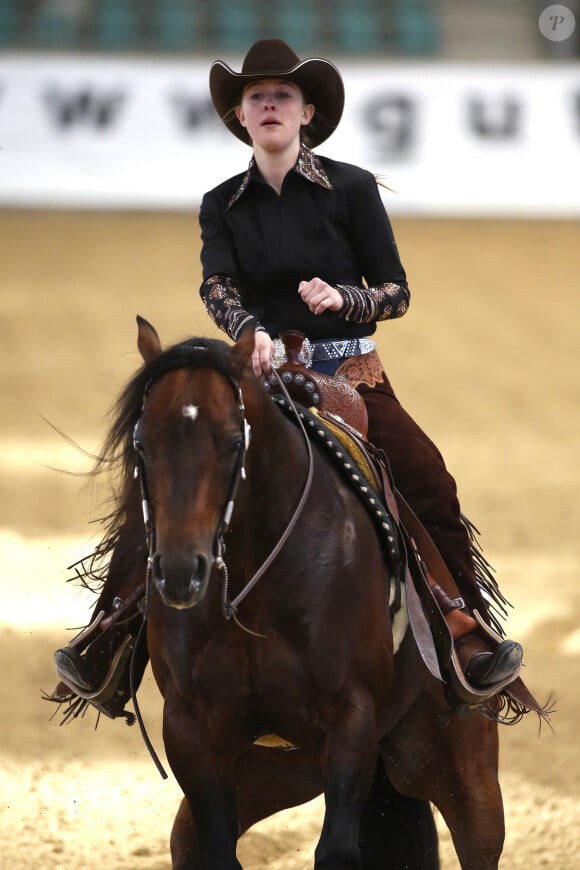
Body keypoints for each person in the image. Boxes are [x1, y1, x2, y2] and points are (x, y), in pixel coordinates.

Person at [52, 38, 523, 718]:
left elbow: (395, 292)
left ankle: (466, 633)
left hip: (350, 373)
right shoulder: (221, 204)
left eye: (282, 96)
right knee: (170, 474)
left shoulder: (354, 188)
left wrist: (346, 300)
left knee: (427, 477)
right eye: (256, 97)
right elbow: (216, 286)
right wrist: (252, 334)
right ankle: (113, 636)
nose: (268, 104)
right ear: (241, 117)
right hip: (257, 373)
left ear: (307, 114)